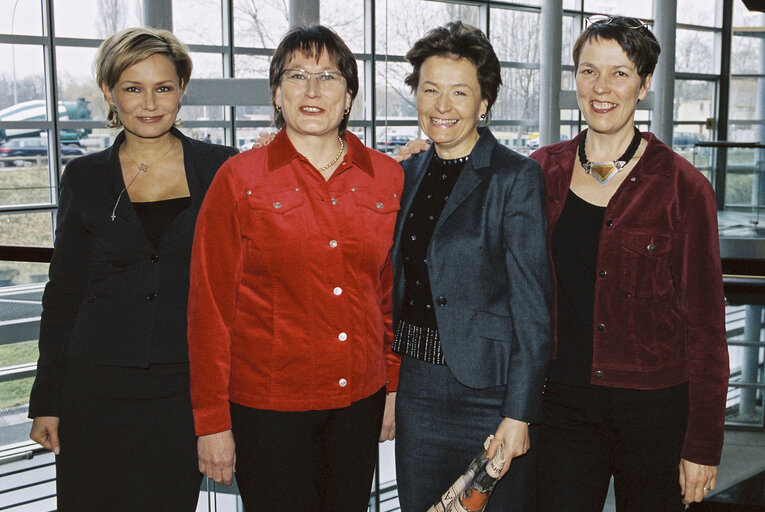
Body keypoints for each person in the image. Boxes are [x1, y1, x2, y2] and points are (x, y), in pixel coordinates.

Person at [186, 25, 402, 512]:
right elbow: (210, 311)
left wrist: (394, 385)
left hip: (359, 401)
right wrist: (212, 422)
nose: (312, 89)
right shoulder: (239, 179)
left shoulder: (387, 178)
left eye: (328, 76)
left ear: (349, 97)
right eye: (297, 75)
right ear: (276, 94)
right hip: (269, 408)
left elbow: (388, 297)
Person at [27, 27, 237, 510]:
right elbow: (64, 294)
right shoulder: (84, 176)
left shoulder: (222, 169)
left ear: (182, 89)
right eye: (132, 88)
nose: (150, 103)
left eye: (163, 87)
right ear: (108, 92)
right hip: (94, 388)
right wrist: (47, 400)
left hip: (182, 390)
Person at [531, 16, 729, 511]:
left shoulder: (682, 187)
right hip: (561, 407)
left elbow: (706, 327)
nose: (602, 88)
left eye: (620, 73)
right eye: (588, 71)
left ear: (643, 85)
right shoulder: (540, 173)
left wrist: (703, 443)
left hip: (655, 410)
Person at [391, 21, 552, 512]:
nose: (443, 106)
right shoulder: (405, 172)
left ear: (484, 103)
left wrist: (518, 413)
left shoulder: (515, 176)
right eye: (430, 89)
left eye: (459, 92)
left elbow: (533, 308)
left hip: (490, 395)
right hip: (418, 393)